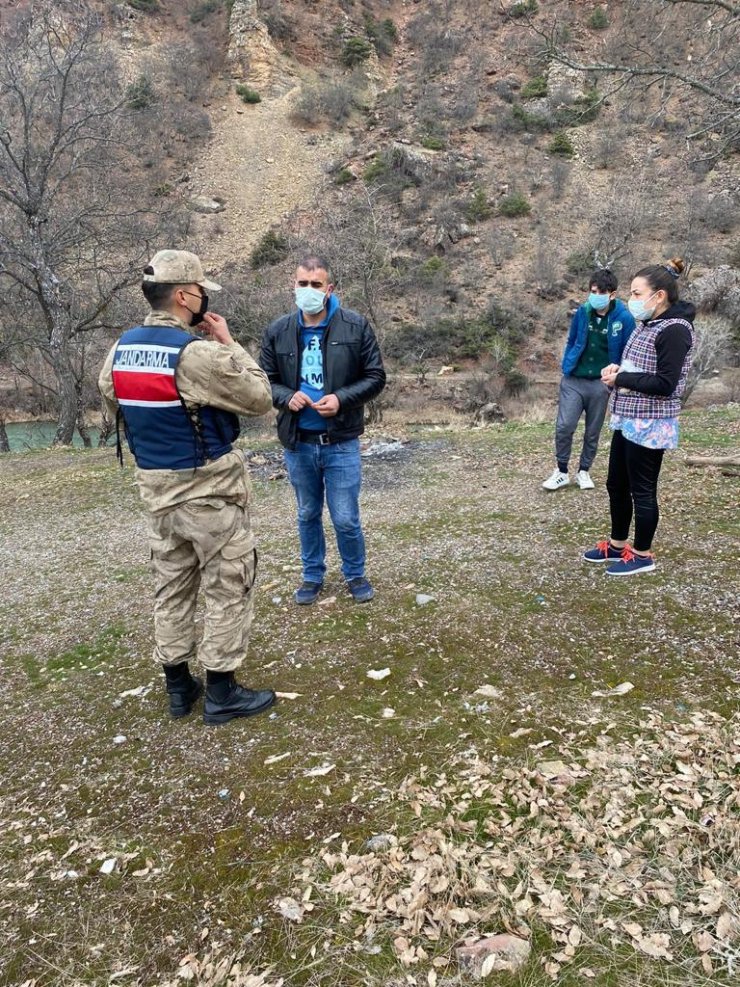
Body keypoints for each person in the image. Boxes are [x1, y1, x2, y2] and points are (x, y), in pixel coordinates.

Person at [98, 249, 276, 724]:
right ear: (183, 295)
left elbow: (111, 394)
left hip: (156, 492)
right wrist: (228, 342)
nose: (202, 299)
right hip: (209, 494)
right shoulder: (197, 355)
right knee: (227, 585)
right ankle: (222, 691)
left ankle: (179, 687)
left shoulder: (122, 348)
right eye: (200, 292)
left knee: (171, 588)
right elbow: (259, 397)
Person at [259, 255, 386, 605]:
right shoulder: (278, 330)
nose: (309, 291)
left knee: (345, 517)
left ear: (329, 289)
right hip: (298, 442)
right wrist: (286, 397)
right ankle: (312, 575)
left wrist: (341, 399)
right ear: (293, 286)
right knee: (307, 513)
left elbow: (376, 377)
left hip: (340, 440)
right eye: (303, 284)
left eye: (316, 285)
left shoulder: (355, 326)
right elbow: (262, 381)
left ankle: (355, 573)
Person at [583, 257, 695, 576]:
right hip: (628, 417)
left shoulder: (675, 330)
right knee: (616, 483)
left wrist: (622, 380)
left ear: (658, 296)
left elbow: (666, 383)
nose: (630, 300)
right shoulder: (647, 324)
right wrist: (616, 370)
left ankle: (642, 555)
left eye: (635, 293)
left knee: (642, 489)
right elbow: (639, 368)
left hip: (651, 423)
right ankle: (617, 545)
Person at [543, 269, 635, 491]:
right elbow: (572, 339)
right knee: (564, 426)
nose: (595, 296)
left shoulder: (624, 318)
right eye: (593, 291)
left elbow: (628, 351)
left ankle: (584, 470)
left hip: (601, 383)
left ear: (612, 294)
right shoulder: (583, 312)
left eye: (601, 292)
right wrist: (567, 365)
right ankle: (562, 471)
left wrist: (618, 377)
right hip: (574, 379)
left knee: (593, 430)